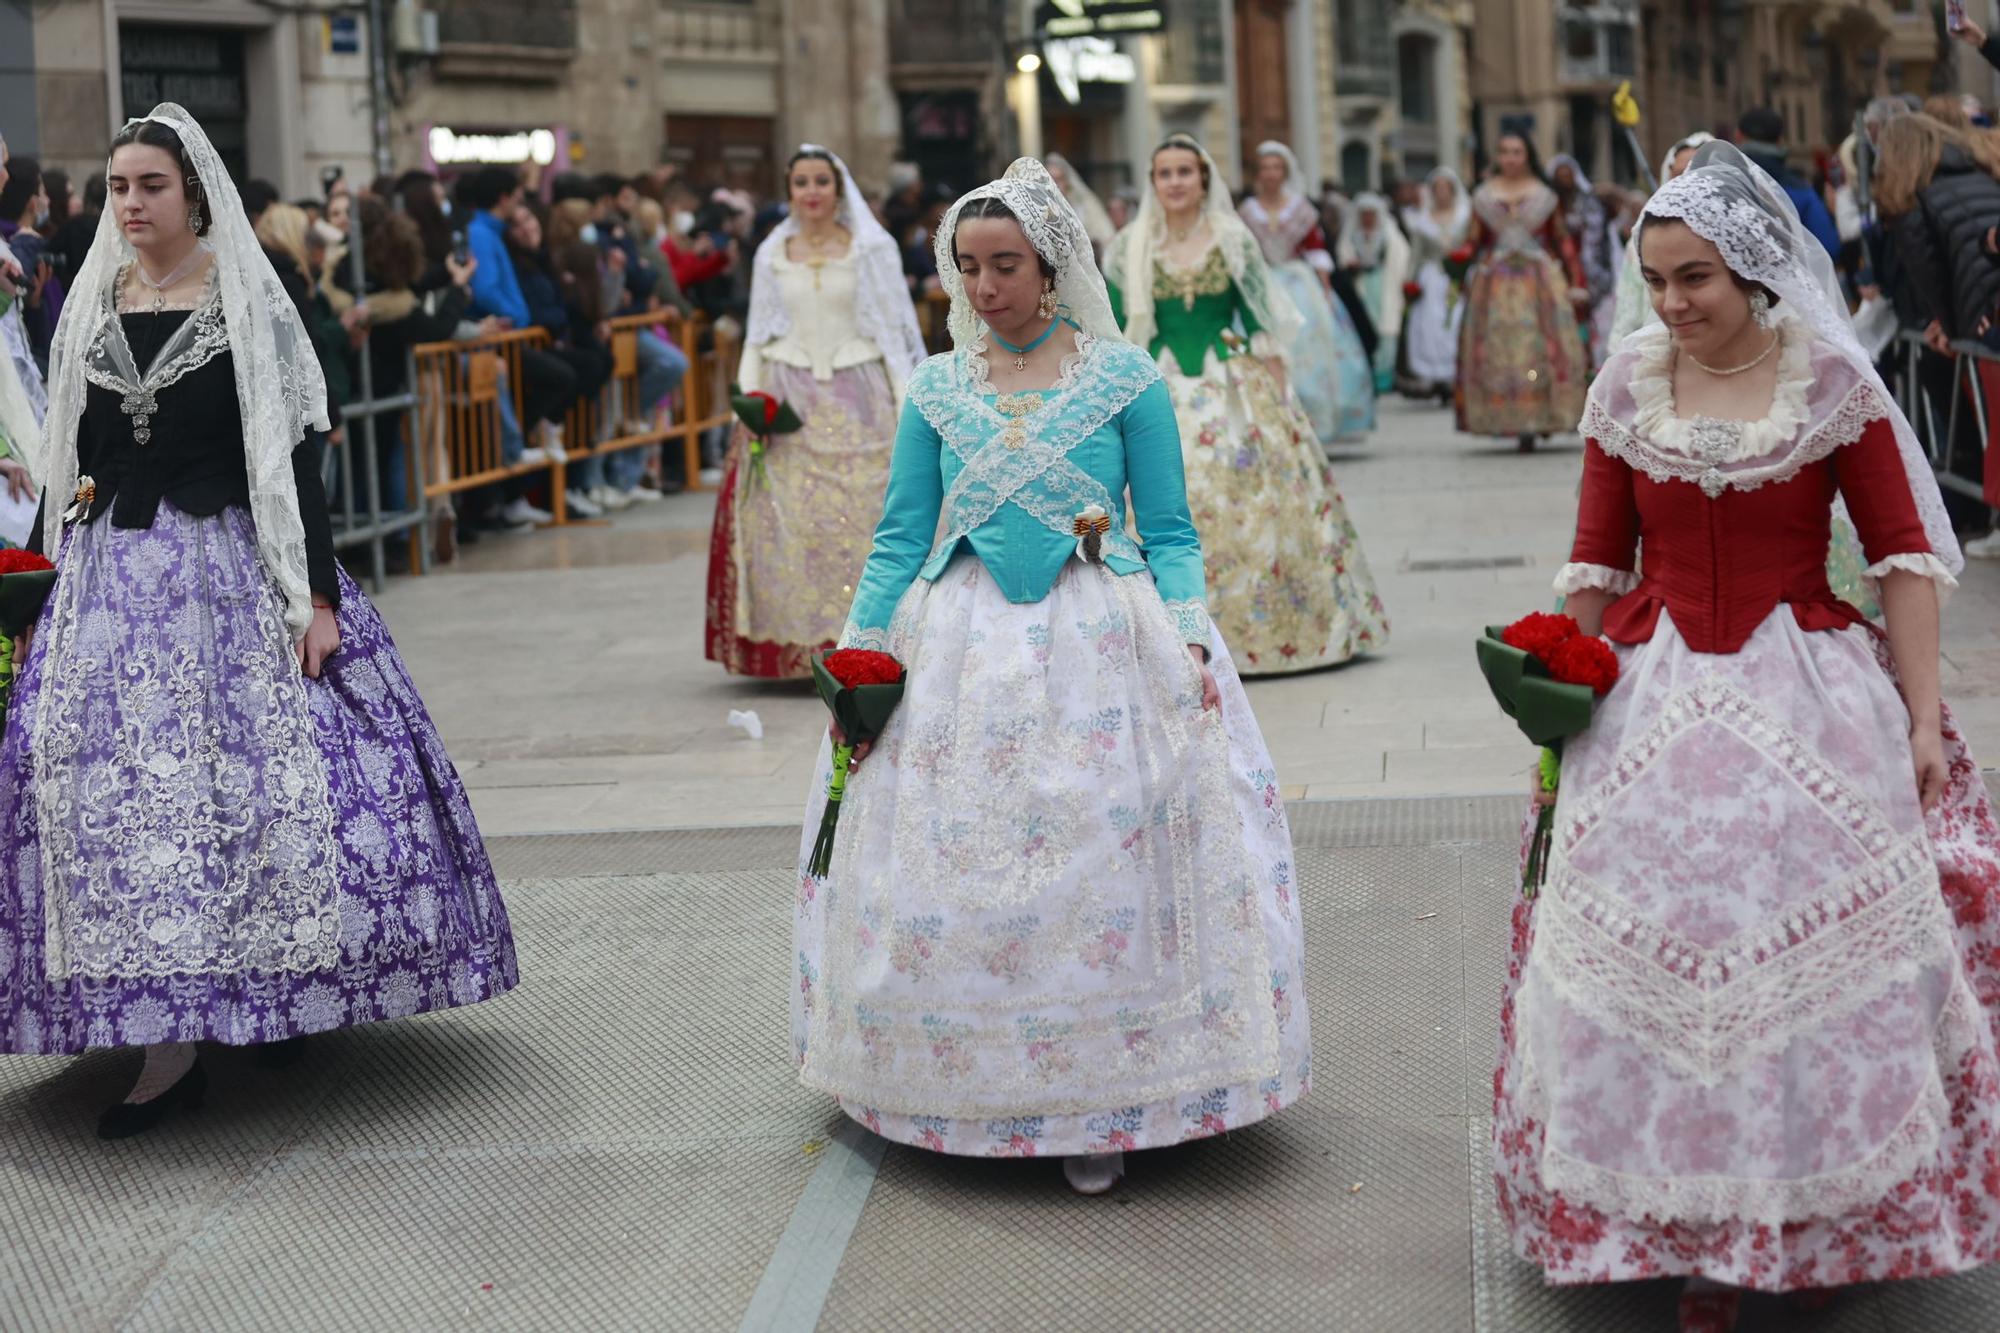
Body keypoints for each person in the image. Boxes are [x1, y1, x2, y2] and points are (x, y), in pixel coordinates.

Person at [1493, 140, 2000, 1331]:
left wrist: (1921, 719)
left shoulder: (1828, 380)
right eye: (1656, 279)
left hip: (1804, 688)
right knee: (1642, 942)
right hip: (1647, 692)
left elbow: (1902, 562)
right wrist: (1559, 697)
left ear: (1755, 269)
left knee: (1794, 955)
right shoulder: (1625, 382)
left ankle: (1797, 1216)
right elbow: (1593, 563)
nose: (1671, 303)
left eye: (1694, 280)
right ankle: (1657, 1221)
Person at [795, 157, 1311, 1196]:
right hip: (962, 645)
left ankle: (1108, 1092)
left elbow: (1166, 530)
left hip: (1102, 642)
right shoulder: (938, 387)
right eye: (968, 267)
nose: (985, 289)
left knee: (1100, 856)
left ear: (1052, 264)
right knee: (963, 858)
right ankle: (956, 1075)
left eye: (1006, 266)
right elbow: (901, 536)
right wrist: (859, 650)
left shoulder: (1124, 380)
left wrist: (1189, 638)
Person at [0, 104, 517, 1136]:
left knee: (265, 785)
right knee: (115, 801)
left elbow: (293, 463)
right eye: (117, 187)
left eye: (151, 185)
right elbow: (75, 453)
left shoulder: (245, 302)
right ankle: (165, 1043)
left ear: (194, 193)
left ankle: (277, 988)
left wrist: (316, 596)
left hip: (233, 568)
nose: (132, 204)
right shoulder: (91, 306)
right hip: (116, 585)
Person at [1108, 134, 1388, 674]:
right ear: (1153, 182)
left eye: (1184, 171)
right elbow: (1118, 327)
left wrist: (1282, 402)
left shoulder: (1232, 237)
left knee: (1250, 491)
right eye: (1164, 173)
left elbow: (1261, 320)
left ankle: (1265, 630)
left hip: (1229, 378)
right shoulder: (1130, 244)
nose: (1175, 182)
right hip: (1159, 376)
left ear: (1203, 179)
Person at [704, 145, 926, 679]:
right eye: (800, 182)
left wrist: (907, 410)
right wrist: (748, 403)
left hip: (860, 392)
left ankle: (868, 640)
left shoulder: (872, 250)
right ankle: (803, 646)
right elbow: (758, 333)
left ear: (837, 187)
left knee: (865, 520)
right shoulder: (771, 252)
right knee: (795, 524)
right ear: (788, 192)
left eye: (820, 181)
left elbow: (893, 335)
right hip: (791, 396)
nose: (810, 192)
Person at [1455, 131, 1592, 451]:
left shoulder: (1545, 196)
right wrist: (1458, 260)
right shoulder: (1484, 196)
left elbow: (1563, 241)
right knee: (1499, 350)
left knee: (1538, 347)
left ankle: (1540, 415)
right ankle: (1505, 417)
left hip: (1538, 280)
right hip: (1495, 282)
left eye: (1516, 152)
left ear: (1527, 155)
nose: (1510, 158)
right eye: (1504, 152)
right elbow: (1474, 240)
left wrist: (1575, 281)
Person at [1238, 140, 1373, 442]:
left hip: (1299, 285)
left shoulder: (1300, 209)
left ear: (1285, 172)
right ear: (1258, 173)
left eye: (1276, 168)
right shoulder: (1247, 211)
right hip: (1263, 284)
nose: (1271, 174)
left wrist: (1324, 287)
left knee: (1310, 348)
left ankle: (1312, 417)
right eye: (1265, 168)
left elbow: (1316, 250)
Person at [1608, 133, 1715, 344]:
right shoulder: (1643, 239)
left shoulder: (1733, 240)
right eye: (1677, 175)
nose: (1685, 183)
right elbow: (1628, 310)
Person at [1736, 107, 1842, 261]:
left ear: (1738, 136)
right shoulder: (1801, 190)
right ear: (1780, 141)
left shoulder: (1720, 183)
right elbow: (1829, 247)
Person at [1401, 167, 1470, 399]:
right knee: (1430, 325)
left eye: (1445, 188)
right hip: (1431, 277)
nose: (1442, 193)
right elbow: (1416, 254)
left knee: (1455, 321)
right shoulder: (1422, 220)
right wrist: (1409, 281)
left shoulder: (1464, 217)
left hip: (1456, 277)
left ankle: (1454, 375)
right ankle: (1434, 377)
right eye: (1437, 188)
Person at [1548, 154, 1617, 367]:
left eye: (1568, 175)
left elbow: (1597, 239)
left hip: (1584, 270)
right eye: (1561, 176)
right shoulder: (1550, 205)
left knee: (1585, 322)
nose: (1565, 180)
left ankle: (1587, 364)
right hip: (1556, 267)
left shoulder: (1588, 203)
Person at [1338, 192, 1411, 392]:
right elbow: (1344, 255)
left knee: (1386, 329)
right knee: (1363, 327)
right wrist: (1351, 265)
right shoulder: (1352, 236)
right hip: (1361, 286)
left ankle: (1384, 377)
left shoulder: (1388, 235)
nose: (1368, 218)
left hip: (1384, 285)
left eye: (1371, 214)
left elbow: (1401, 257)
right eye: (1364, 214)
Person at [0, 152, 62, 369]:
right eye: (43, 191)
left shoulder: (13, 242)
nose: (47, 200)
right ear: (33, 203)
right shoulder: (22, 247)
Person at [1045, 152, 1114, 259]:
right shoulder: (1042, 210)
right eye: (1050, 179)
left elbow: (1104, 236)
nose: (1054, 184)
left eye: (1058, 179)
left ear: (1067, 181)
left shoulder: (1085, 206)